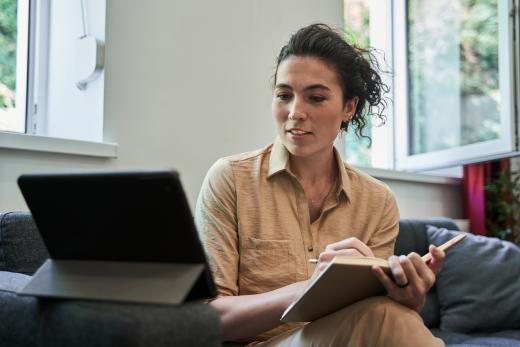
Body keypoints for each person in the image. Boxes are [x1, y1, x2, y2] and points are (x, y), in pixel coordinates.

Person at [195, 23, 445, 347]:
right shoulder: (230, 178)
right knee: (385, 318)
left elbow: (371, 312)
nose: (295, 112)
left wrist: (408, 298)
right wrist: (311, 287)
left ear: (349, 107)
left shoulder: (378, 201)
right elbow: (209, 320)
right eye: (284, 95)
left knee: (389, 315)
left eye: (315, 98)